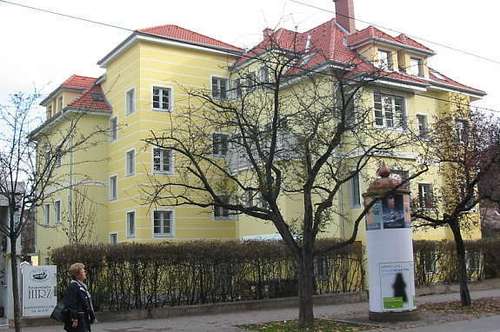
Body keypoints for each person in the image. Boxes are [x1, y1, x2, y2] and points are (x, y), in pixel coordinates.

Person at [63, 263, 95, 332]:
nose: (85, 273)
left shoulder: (81, 286)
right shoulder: (73, 286)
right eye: (83, 271)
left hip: (84, 319)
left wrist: (91, 316)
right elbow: (71, 304)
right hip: (79, 321)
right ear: (78, 275)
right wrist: (74, 318)